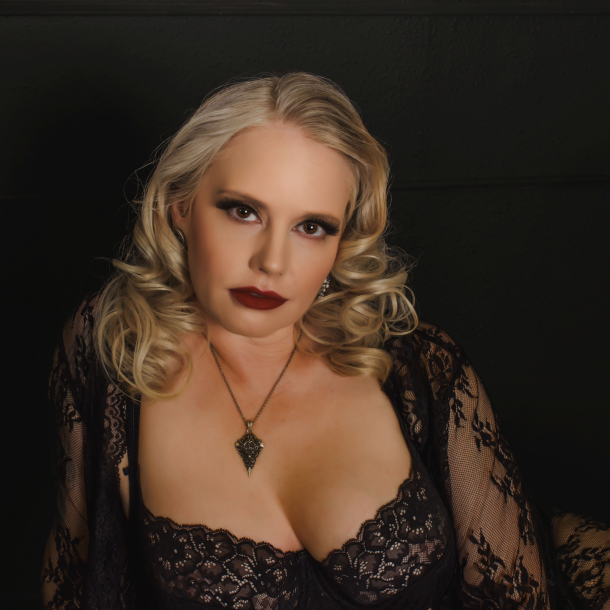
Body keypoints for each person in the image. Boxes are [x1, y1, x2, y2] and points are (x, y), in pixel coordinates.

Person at [41, 72, 609, 610]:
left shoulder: (423, 371)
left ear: (341, 242)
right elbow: (73, 577)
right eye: (244, 211)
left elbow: (517, 592)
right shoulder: (114, 347)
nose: (272, 262)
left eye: (311, 227)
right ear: (181, 207)